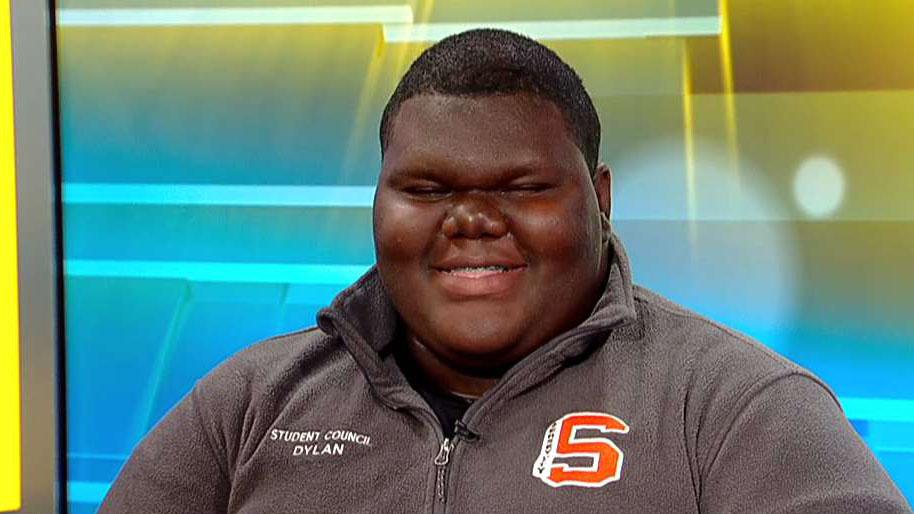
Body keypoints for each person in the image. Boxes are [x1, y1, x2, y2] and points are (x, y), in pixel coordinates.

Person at [101, 29, 911, 513]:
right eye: (427, 190)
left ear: (600, 200)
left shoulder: (736, 407)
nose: (472, 221)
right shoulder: (249, 404)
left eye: (522, 188)